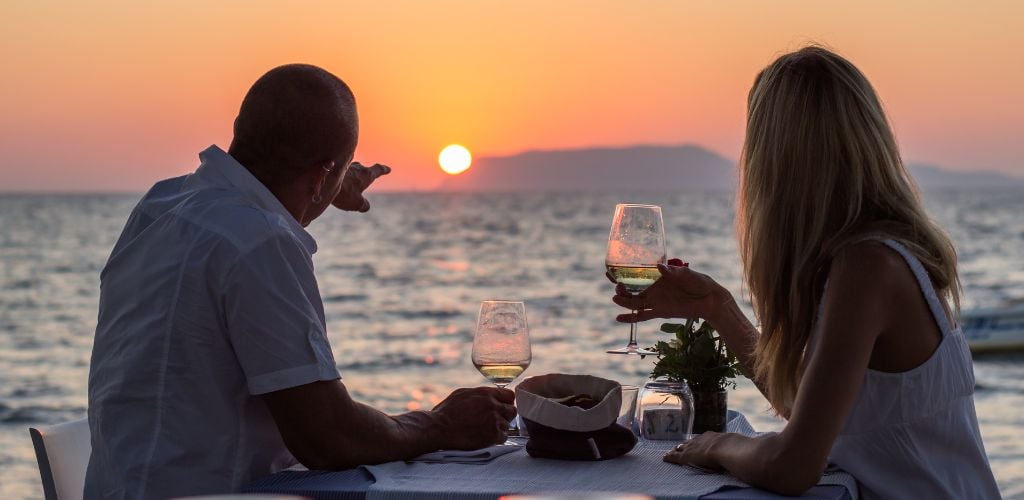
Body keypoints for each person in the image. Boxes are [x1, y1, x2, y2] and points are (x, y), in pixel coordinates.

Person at [85, 64, 516, 499]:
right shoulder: (259, 241)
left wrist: (325, 181)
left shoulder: (161, 203)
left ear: (240, 128)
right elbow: (327, 438)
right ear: (319, 175)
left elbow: (265, 199)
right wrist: (439, 424)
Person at [613, 46, 1000, 498]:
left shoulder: (869, 267)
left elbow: (792, 466)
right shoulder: (876, 255)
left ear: (776, 161)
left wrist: (721, 445)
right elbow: (806, 409)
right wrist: (717, 307)